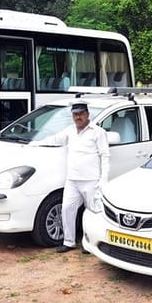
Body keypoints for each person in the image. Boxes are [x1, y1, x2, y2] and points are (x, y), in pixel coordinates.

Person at [50, 100, 110, 253]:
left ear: (87, 114)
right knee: (67, 209)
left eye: (81, 114)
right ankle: (69, 241)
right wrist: (33, 144)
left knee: (91, 211)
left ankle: (89, 242)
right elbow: (54, 140)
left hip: (91, 180)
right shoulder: (69, 131)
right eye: (75, 114)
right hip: (72, 179)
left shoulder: (97, 132)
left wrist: (103, 179)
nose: (78, 117)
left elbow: (105, 156)